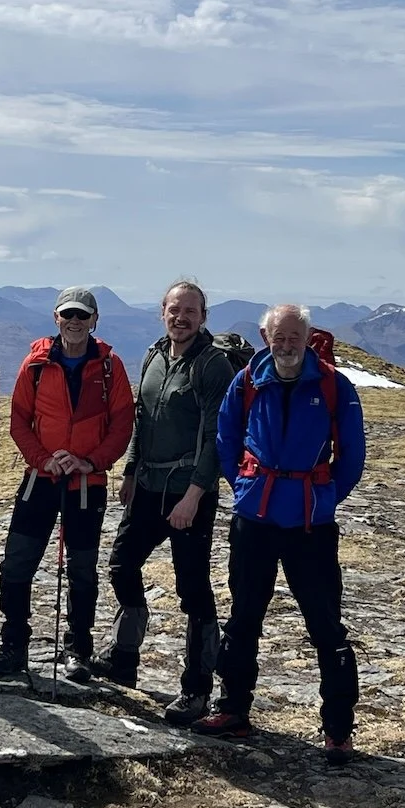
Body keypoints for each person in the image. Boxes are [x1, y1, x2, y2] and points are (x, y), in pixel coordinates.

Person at [195, 303, 366, 766]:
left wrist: (326, 498)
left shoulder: (334, 385)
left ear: (307, 338)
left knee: (325, 624)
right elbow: (226, 438)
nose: (287, 345)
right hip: (255, 518)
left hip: (311, 524)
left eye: (295, 337)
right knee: (244, 616)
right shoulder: (247, 380)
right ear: (265, 337)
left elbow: (352, 455)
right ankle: (233, 710)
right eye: (279, 336)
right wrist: (244, 487)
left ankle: (338, 730)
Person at [91, 280, 236, 726]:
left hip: (189, 492)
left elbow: (216, 437)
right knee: (122, 563)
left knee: (193, 589)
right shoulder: (155, 355)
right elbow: (143, 419)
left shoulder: (212, 365)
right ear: (162, 312)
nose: (181, 317)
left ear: (203, 317)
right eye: (175, 309)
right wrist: (131, 470)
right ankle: (124, 656)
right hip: (149, 485)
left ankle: (197, 688)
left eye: (190, 311)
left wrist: (194, 495)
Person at [0, 287, 134, 681]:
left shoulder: (110, 367)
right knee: (17, 563)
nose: (75, 321)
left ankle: (78, 650)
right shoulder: (35, 364)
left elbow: (122, 423)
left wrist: (91, 461)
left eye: (82, 315)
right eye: (68, 314)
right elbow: (19, 420)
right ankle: (13, 644)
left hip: (86, 482)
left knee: (82, 569)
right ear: (56, 318)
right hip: (41, 479)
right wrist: (44, 459)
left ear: (94, 320)